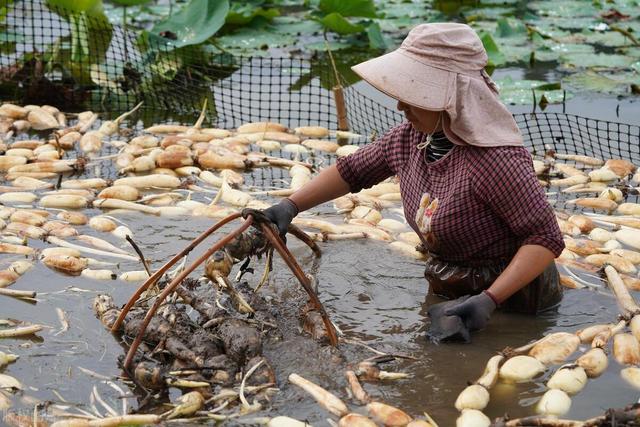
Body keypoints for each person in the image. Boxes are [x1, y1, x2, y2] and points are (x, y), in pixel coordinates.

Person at [261, 23, 564, 335]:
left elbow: (545, 239)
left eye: (414, 95)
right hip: (449, 281)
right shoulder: (410, 138)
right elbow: (351, 172)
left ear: (452, 98)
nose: (400, 105)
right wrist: (289, 207)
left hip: (512, 297)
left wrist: (488, 300)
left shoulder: (496, 160)